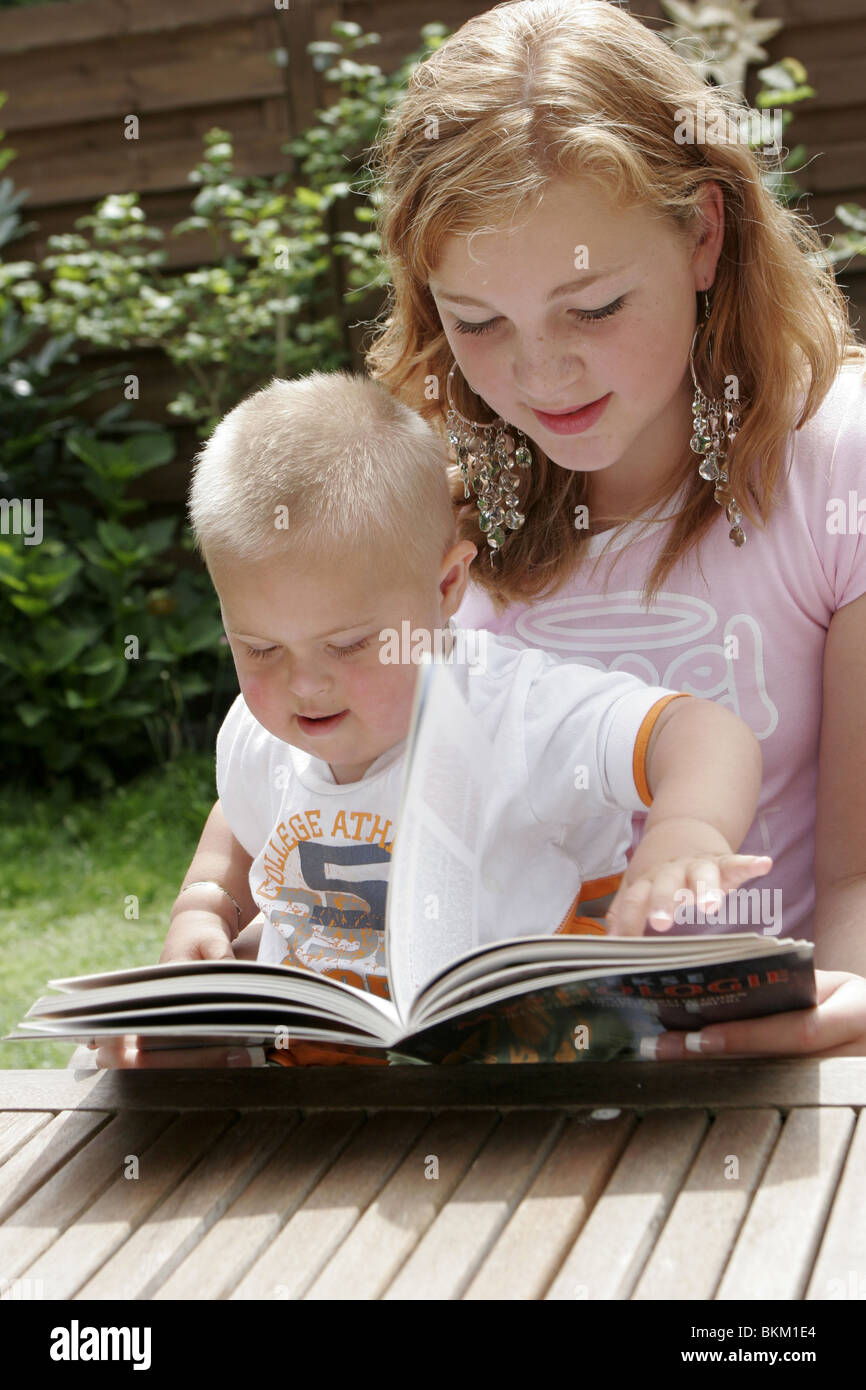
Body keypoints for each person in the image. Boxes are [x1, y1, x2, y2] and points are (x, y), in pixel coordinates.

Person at [359, 0, 866, 1058]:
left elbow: (858, 879)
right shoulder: (427, 507)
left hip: (770, 1089)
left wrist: (832, 1012)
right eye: (477, 322)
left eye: (590, 309)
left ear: (702, 233)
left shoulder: (835, 464)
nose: (538, 376)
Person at [83, 369, 771, 1070]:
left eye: (349, 644)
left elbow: (702, 732)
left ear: (446, 587)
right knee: (130, 1073)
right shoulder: (262, 729)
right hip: (317, 1089)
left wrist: (688, 831)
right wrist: (204, 904)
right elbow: (242, 806)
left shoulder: (513, 709)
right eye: (259, 648)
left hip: (530, 1081)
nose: (304, 684)